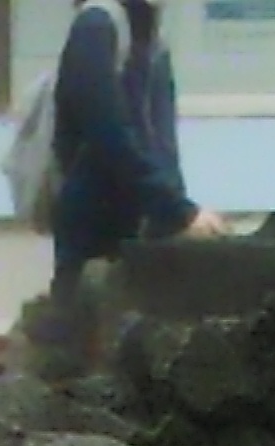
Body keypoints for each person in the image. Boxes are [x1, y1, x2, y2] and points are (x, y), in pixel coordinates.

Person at [47, 0, 224, 359]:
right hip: (95, 227)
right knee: (78, 353)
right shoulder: (97, 25)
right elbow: (106, 132)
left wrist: (175, 210)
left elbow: (161, 141)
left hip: (145, 226)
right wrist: (177, 210)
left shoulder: (153, 35)